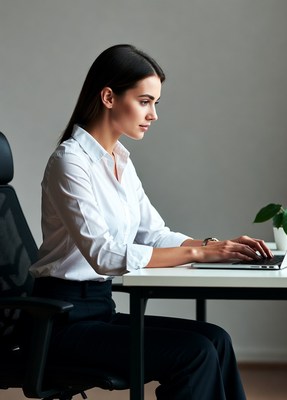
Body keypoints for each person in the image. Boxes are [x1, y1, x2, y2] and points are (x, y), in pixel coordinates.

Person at [30, 44, 273, 400]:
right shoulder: (70, 162)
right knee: (195, 354)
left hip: (99, 310)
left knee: (216, 339)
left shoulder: (121, 161)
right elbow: (105, 255)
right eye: (145, 101)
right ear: (109, 97)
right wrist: (201, 255)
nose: (153, 114)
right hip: (62, 324)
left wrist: (213, 247)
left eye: (155, 103)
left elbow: (154, 234)